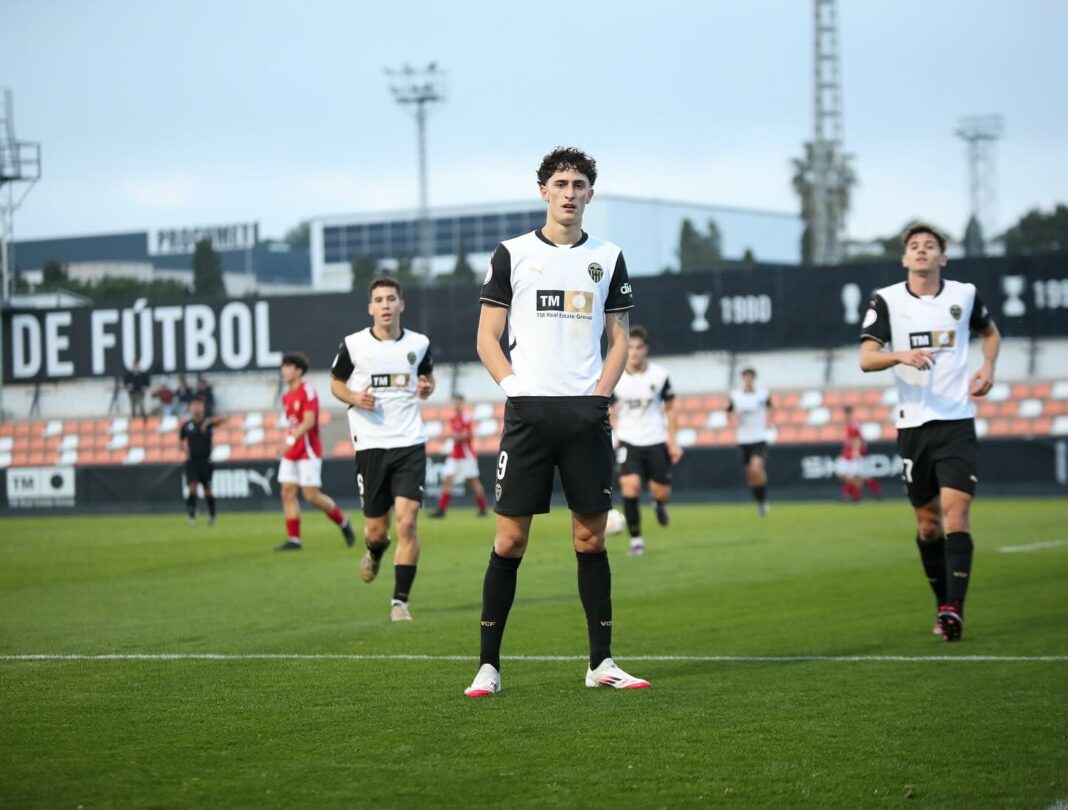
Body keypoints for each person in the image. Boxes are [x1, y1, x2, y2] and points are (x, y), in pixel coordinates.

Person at [465, 146, 649, 698]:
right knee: (510, 540)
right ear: (543, 190)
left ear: (591, 194)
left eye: (580, 184)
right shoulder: (513, 254)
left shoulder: (609, 257)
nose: (570, 193)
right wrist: (515, 388)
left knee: (591, 540)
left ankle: (601, 662)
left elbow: (618, 337)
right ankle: (488, 666)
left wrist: (600, 393)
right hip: (528, 414)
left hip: (585, 415)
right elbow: (486, 337)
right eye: (561, 183)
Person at [860, 222, 999, 642]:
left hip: (956, 420)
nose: (922, 251)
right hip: (912, 425)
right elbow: (866, 358)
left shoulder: (964, 295)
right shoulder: (885, 300)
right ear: (905, 258)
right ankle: (942, 603)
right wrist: (900, 355)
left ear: (942, 257)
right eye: (914, 246)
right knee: (927, 526)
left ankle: (954, 611)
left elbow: (990, 334)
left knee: (957, 513)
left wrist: (988, 366)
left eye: (930, 246)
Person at [329, 278, 435, 622]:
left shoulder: (419, 344)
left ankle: (399, 602)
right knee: (378, 530)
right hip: (371, 446)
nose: (386, 305)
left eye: (391, 299)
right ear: (370, 307)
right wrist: (354, 397)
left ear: (402, 304)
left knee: (407, 523)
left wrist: (426, 386)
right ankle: (375, 552)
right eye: (379, 300)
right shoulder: (355, 345)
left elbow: (426, 380)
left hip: (409, 443)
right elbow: (335, 383)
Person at [611, 324, 682, 556]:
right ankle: (636, 540)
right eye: (630, 347)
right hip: (628, 440)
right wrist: (613, 436)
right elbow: (609, 409)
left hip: (655, 439)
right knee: (630, 488)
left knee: (661, 492)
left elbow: (671, 410)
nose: (634, 352)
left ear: (646, 349)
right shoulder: (615, 375)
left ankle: (659, 504)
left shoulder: (660, 376)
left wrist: (673, 442)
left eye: (639, 347)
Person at [274, 351, 356, 552]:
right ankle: (294, 539)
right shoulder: (286, 396)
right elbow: (293, 424)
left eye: (288, 366)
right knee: (287, 492)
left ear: (298, 371)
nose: (283, 371)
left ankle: (343, 522)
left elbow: (309, 421)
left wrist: (291, 439)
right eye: (283, 366)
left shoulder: (307, 391)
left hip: (307, 450)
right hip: (292, 450)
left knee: (310, 495)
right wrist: (287, 442)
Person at [430, 393, 488, 518]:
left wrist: (454, 436)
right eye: (454, 402)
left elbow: (466, 435)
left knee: (473, 482)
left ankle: (483, 508)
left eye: (458, 402)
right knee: (446, 479)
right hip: (455, 455)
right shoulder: (453, 418)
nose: (456, 404)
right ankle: (441, 510)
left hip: (466, 456)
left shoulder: (466, 418)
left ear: (462, 403)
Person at [727, 368, 772, 516]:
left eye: (750, 377)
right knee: (751, 476)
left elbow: (771, 408)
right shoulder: (736, 396)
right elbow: (728, 412)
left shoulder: (762, 394)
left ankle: (764, 500)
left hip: (758, 438)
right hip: (743, 439)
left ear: (754, 378)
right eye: (745, 377)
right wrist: (733, 419)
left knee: (756, 469)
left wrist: (769, 422)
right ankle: (760, 502)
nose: (747, 380)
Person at [179, 395, 225, 526]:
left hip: (206, 462)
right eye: (194, 405)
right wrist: (183, 448)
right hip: (192, 462)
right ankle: (191, 516)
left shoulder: (208, 423)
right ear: (190, 407)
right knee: (192, 488)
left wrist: (211, 420)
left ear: (203, 407)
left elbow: (224, 420)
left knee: (207, 490)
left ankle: (212, 515)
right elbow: (181, 440)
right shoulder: (187, 425)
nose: (196, 407)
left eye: (199, 405)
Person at [837, 405, 882, 502]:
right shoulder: (849, 424)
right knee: (856, 475)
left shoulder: (854, 424)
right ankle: (855, 494)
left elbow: (857, 439)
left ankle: (854, 495)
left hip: (856, 453)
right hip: (849, 453)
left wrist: (855, 451)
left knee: (857, 475)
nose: (845, 416)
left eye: (846, 413)